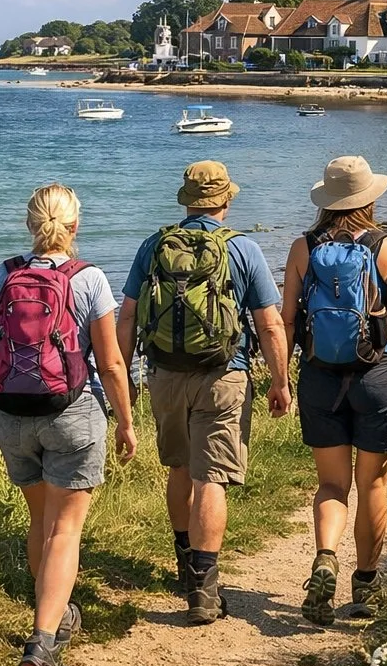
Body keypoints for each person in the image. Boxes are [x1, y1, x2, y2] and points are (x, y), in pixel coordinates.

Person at [0, 184, 137, 666]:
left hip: (12, 415)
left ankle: (55, 614)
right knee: (66, 529)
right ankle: (43, 641)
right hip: (72, 415)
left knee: (39, 521)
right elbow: (109, 362)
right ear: (75, 226)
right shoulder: (89, 280)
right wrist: (126, 421)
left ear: (29, 225)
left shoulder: (4, 274)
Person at [117, 160, 291, 625]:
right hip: (224, 375)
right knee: (210, 477)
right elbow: (269, 323)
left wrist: (125, 378)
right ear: (226, 201)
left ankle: (183, 560)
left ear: (186, 200)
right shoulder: (244, 249)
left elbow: (128, 316)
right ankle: (204, 586)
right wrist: (280, 380)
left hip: (165, 375)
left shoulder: (153, 245)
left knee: (179, 466)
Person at [282, 155, 387, 627]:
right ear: (369, 198)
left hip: (319, 377)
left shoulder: (301, 248)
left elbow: (287, 322)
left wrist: (279, 379)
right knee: (373, 482)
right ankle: (366, 585)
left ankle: (326, 556)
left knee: (332, 484)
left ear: (326, 200)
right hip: (378, 378)